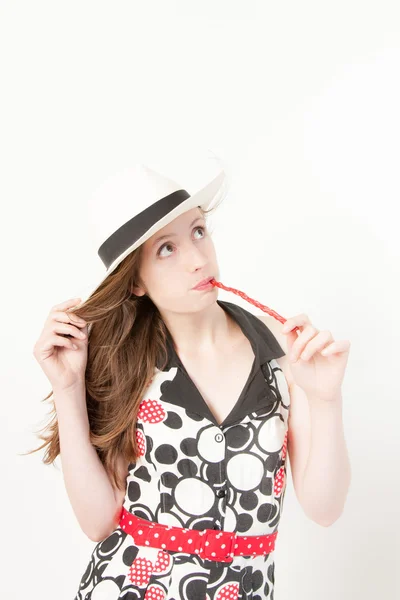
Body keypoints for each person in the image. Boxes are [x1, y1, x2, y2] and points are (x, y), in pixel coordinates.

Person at [31, 162, 347, 599]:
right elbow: (98, 522)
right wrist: (68, 389)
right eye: (166, 249)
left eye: (199, 231)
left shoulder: (284, 350)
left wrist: (326, 398)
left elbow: (325, 509)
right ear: (136, 282)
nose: (198, 259)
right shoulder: (128, 363)